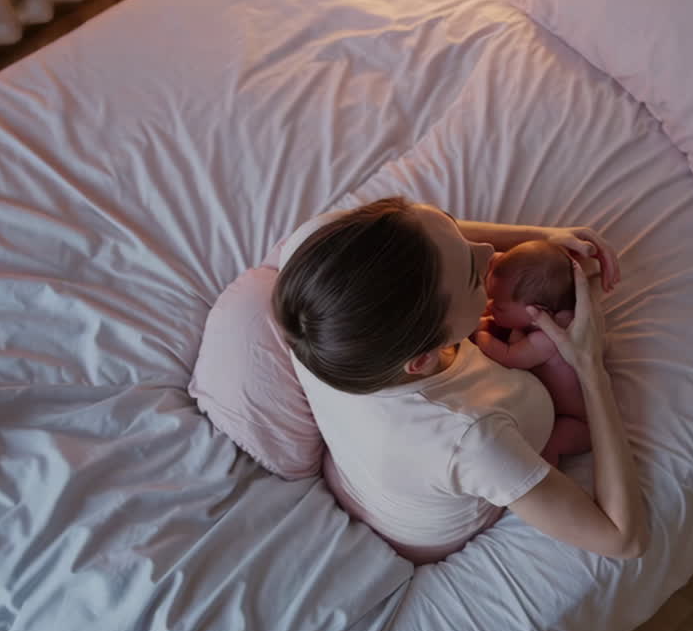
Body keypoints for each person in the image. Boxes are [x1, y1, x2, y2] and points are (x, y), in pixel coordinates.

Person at [273, 197, 648, 564]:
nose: (490, 251)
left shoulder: (315, 262)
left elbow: (424, 232)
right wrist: (589, 366)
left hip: (351, 469)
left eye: (453, 228)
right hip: (416, 532)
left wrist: (541, 238)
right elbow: (623, 539)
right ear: (423, 359)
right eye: (473, 278)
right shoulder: (469, 438)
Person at [472, 240, 591, 467]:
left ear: (538, 312)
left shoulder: (547, 340)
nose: (490, 306)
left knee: (550, 443)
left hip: (578, 422)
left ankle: (549, 476)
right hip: (552, 407)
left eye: (499, 307)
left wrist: (481, 333)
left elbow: (508, 356)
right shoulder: (542, 314)